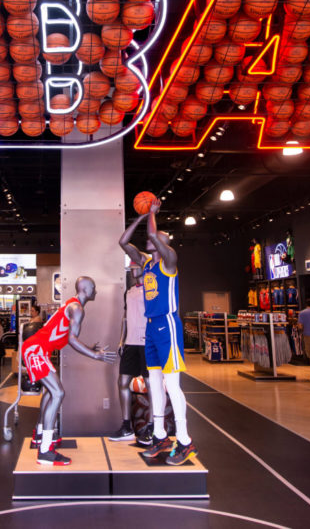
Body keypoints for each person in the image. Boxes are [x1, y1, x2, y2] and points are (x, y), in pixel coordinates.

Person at [120, 199, 197, 466]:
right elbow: (123, 242)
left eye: (159, 238)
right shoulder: (147, 263)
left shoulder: (169, 261)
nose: (152, 239)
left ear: (165, 244)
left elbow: (153, 234)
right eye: (154, 238)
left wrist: (152, 214)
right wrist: (141, 218)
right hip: (151, 326)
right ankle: (160, 436)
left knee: (172, 385)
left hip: (168, 325)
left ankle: (185, 441)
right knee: (154, 383)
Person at [22, 276, 116, 465]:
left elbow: (66, 338)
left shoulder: (71, 306)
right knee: (58, 393)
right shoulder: (77, 309)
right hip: (36, 350)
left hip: (38, 350)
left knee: (51, 392)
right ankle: (45, 451)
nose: (96, 291)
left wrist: (90, 347)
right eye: (94, 288)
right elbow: (72, 340)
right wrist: (95, 355)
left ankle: (39, 437)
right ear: (86, 290)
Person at [109, 262, 153, 445]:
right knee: (122, 381)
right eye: (131, 266)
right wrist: (121, 340)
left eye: (136, 265)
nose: (132, 269)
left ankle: (153, 426)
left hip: (147, 341)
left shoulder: (151, 290)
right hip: (130, 342)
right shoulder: (129, 292)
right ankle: (126, 426)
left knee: (151, 383)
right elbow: (125, 318)